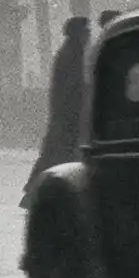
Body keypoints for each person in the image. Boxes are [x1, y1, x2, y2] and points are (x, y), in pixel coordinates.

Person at [22, 15, 92, 207]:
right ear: (78, 34)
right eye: (86, 31)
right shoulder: (72, 56)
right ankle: (36, 194)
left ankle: (34, 192)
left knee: (56, 155)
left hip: (65, 117)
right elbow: (72, 89)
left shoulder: (70, 53)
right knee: (60, 157)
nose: (89, 35)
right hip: (68, 117)